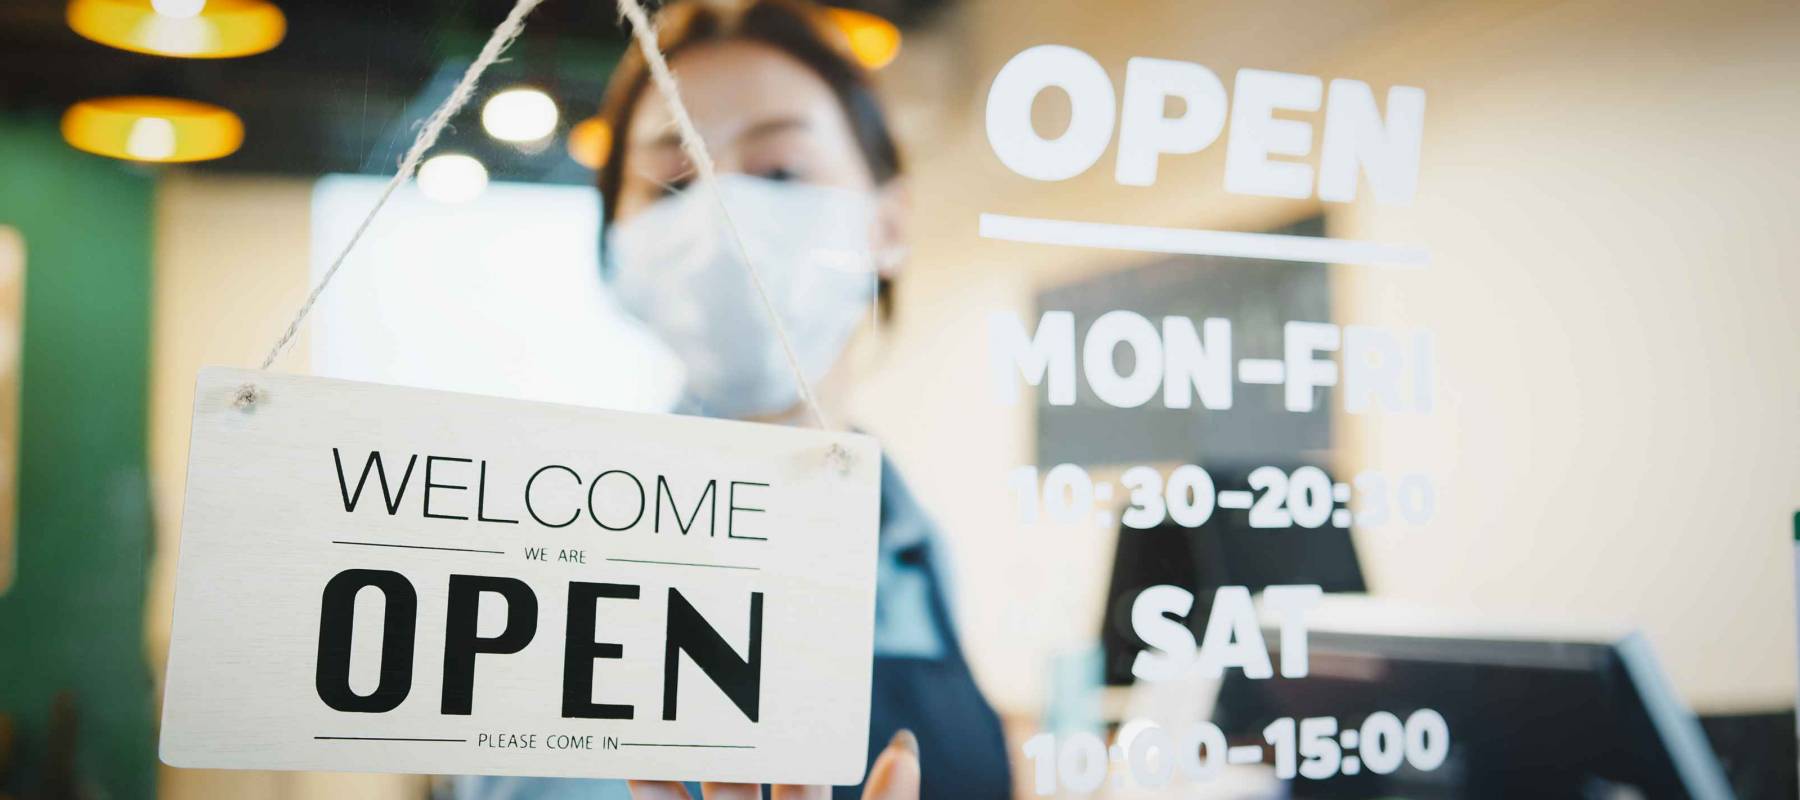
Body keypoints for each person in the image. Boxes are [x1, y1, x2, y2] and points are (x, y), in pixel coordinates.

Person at [455, 1, 1012, 798]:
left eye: (781, 172)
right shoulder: (571, 562)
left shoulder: (911, 539)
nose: (725, 220)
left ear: (887, 223)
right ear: (617, 252)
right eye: (673, 182)